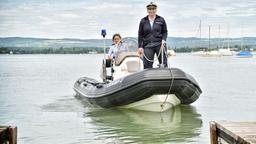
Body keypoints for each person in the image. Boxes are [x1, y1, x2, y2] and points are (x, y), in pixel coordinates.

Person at [137, 2, 168, 69]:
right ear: (147, 10)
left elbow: (165, 32)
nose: (151, 10)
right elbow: (140, 35)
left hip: (160, 44)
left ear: (156, 9)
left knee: (164, 64)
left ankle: (164, 76)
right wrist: (140, 46)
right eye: (150, 9)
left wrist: (164, 40)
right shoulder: (143, 21)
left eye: (153, 8)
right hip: (148, 45)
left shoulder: (161, 20)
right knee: (147, 65)